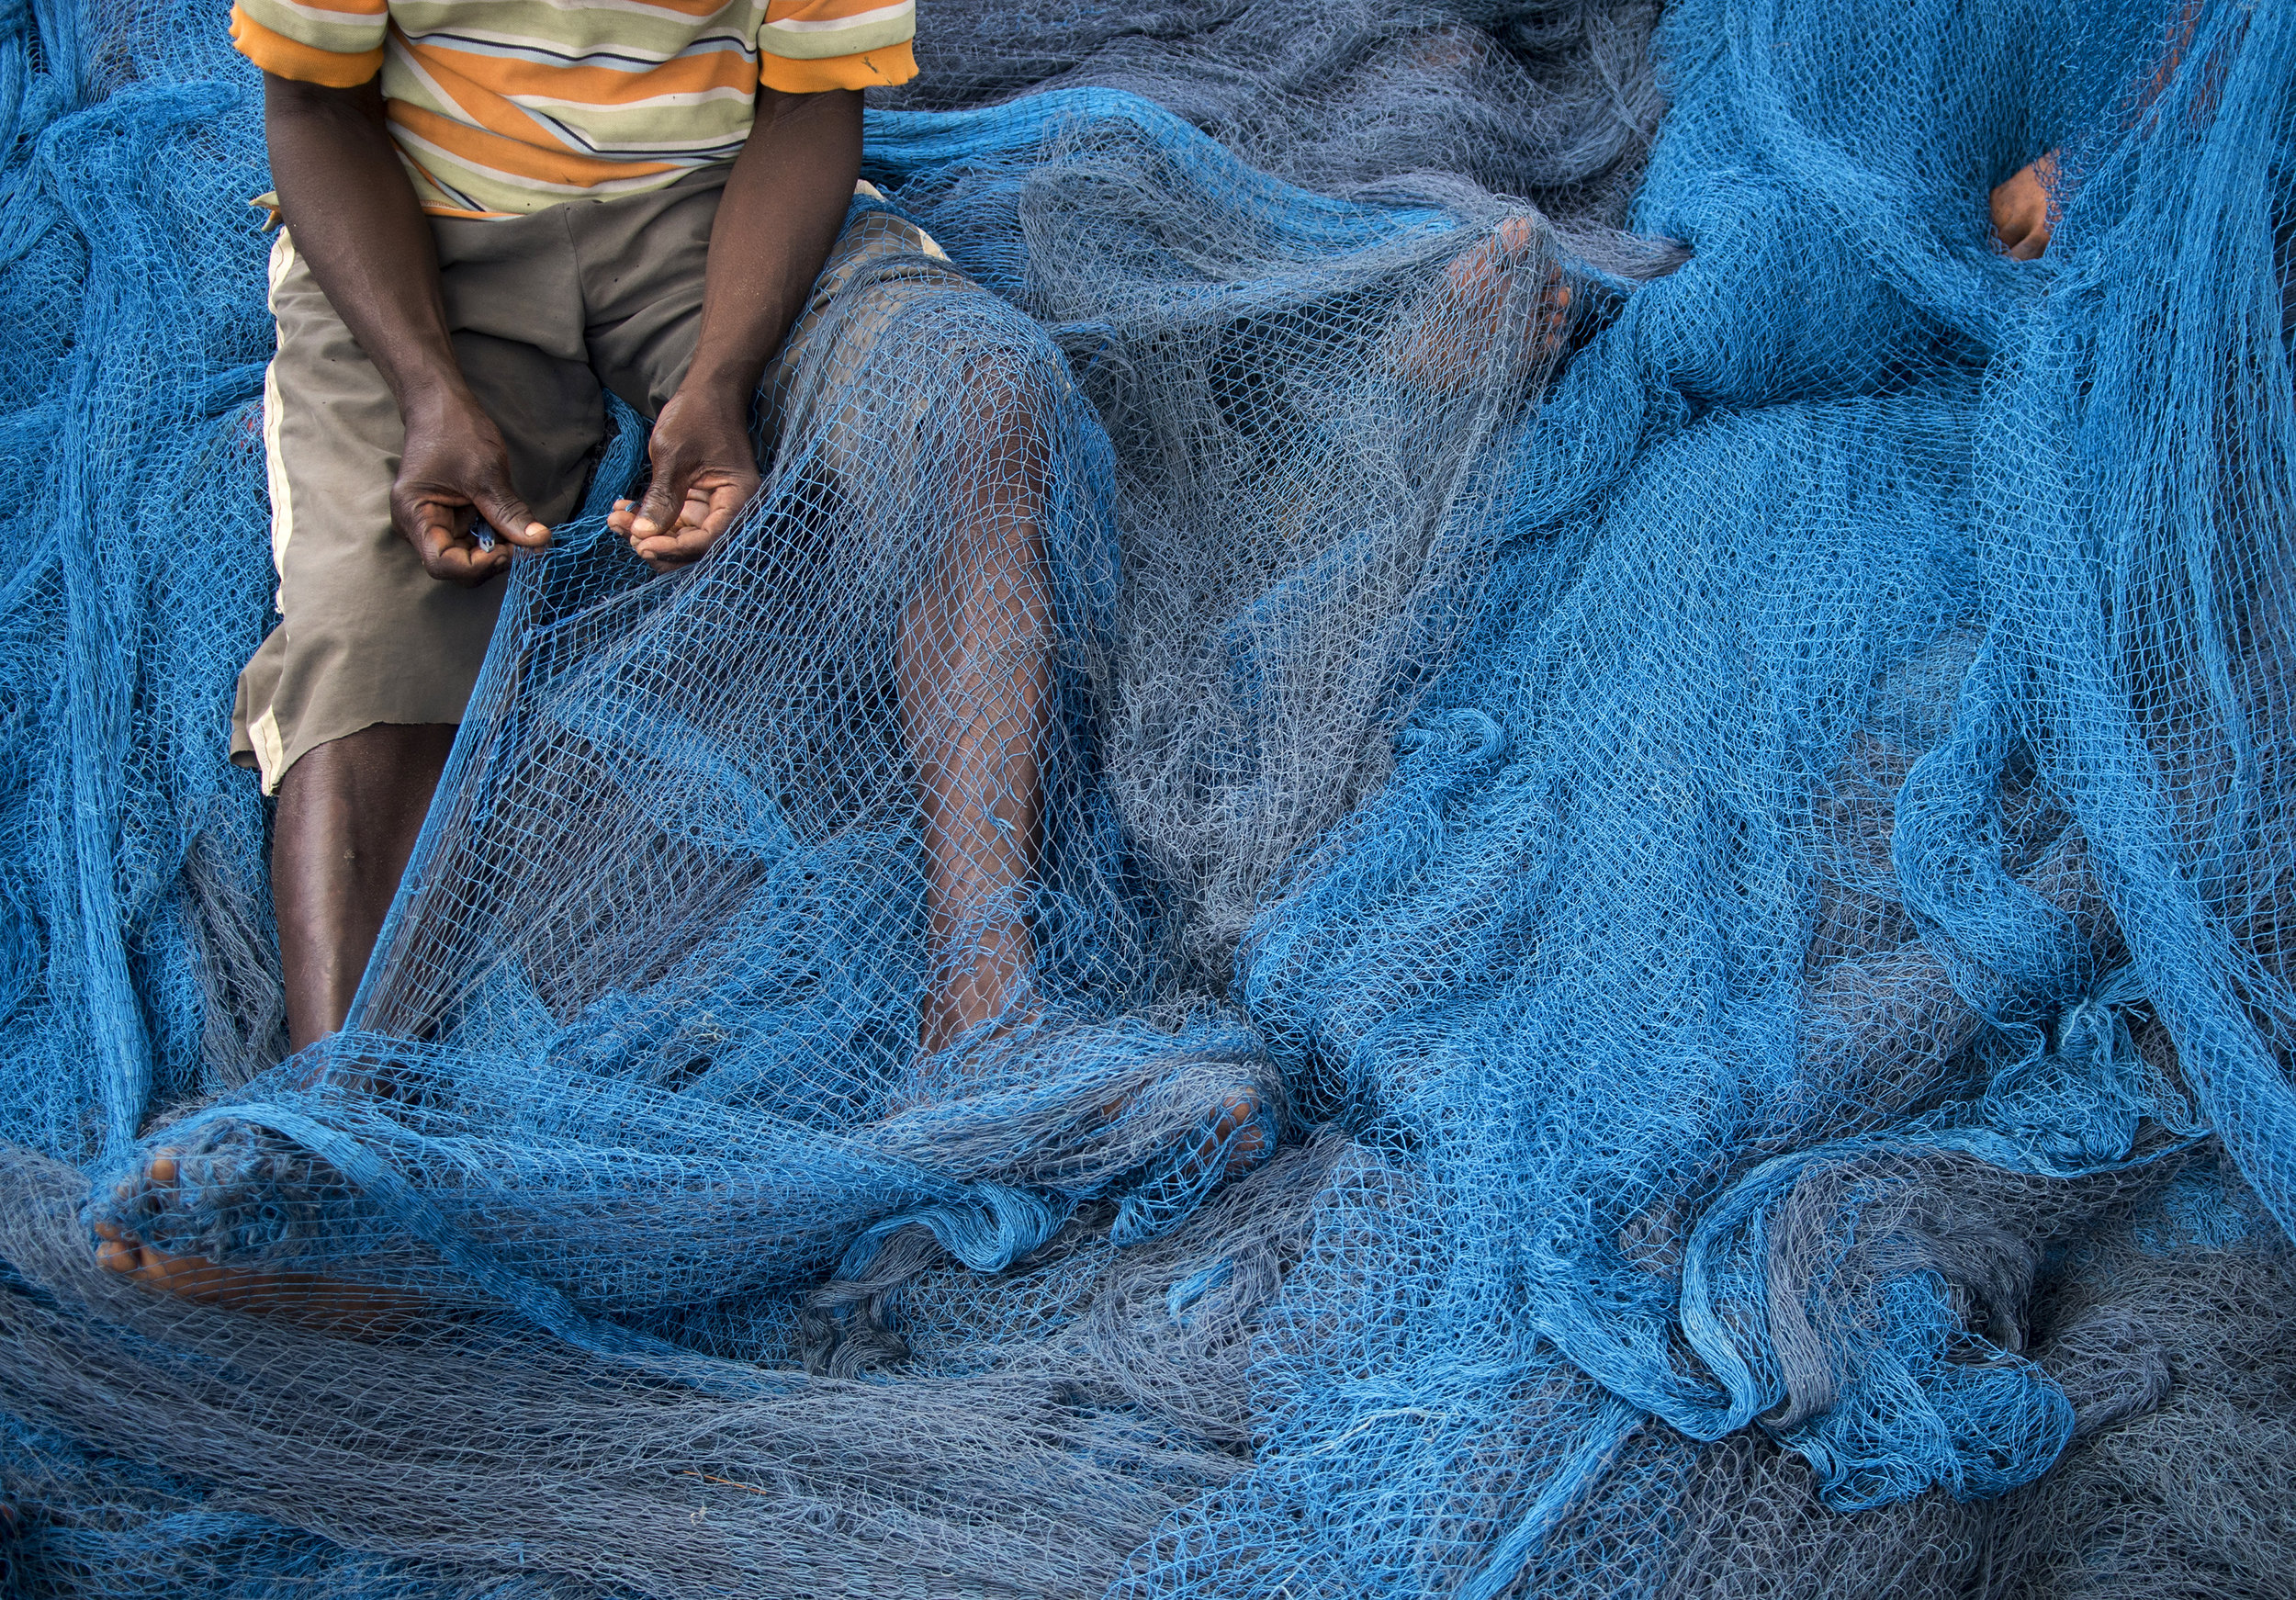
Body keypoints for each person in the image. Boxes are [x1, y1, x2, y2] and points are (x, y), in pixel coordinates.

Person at [93, 0, 1269, 1315]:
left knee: (973, 397)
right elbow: (315, 108)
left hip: (722, 207)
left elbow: (813, 95)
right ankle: (344, 1140)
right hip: (427, 217)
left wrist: (720, 377)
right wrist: (428, 389)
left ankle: (987, 1018)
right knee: (369, 620)